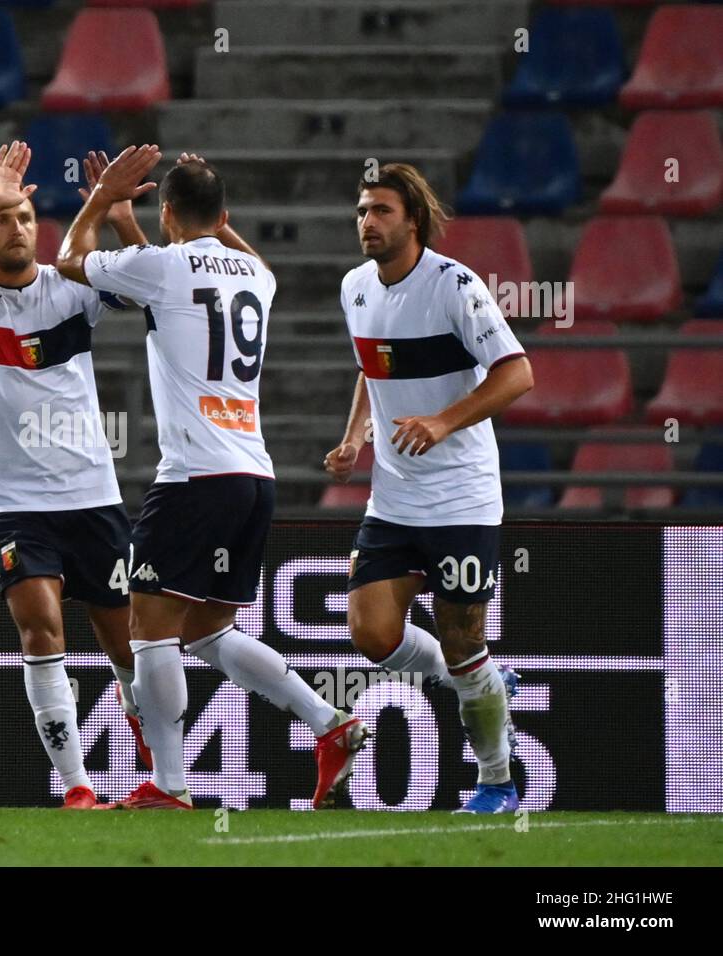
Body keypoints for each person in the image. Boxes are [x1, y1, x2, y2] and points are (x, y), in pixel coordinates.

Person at [58, 148, 368, 810]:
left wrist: (101, 202)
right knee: (207, 632)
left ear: (165, 212)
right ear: (223, 216)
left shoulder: (164, 267)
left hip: (193, 479)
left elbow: (67, 260)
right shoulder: (257, 276)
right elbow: (180, 279)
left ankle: (170, 785)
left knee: (149, 628)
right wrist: (133, 221)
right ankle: (330, 722)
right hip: (252, 478)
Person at [0, 142, 151, 809]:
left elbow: (140, 283)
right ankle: (77, 786)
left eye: (23, 217)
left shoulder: (72, 287)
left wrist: (111, 207)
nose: (15, 228)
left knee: (127, 644)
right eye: (2, 219)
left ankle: (145, 731)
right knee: (41, 630)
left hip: (93, 498)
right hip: (17, 504)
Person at [323, 163, 533, 814]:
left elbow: (518, 373)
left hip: (461, 498)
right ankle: (484, 683)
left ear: (411, 220)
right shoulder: (356, 286)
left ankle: (496, 780)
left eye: (381, 211)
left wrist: (444, 421)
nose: (368, 222)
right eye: (361, 211)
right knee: (371, 634)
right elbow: (372, 365)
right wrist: (355, 436)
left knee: (463, 640)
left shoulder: (453, 286)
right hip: (394, 498)